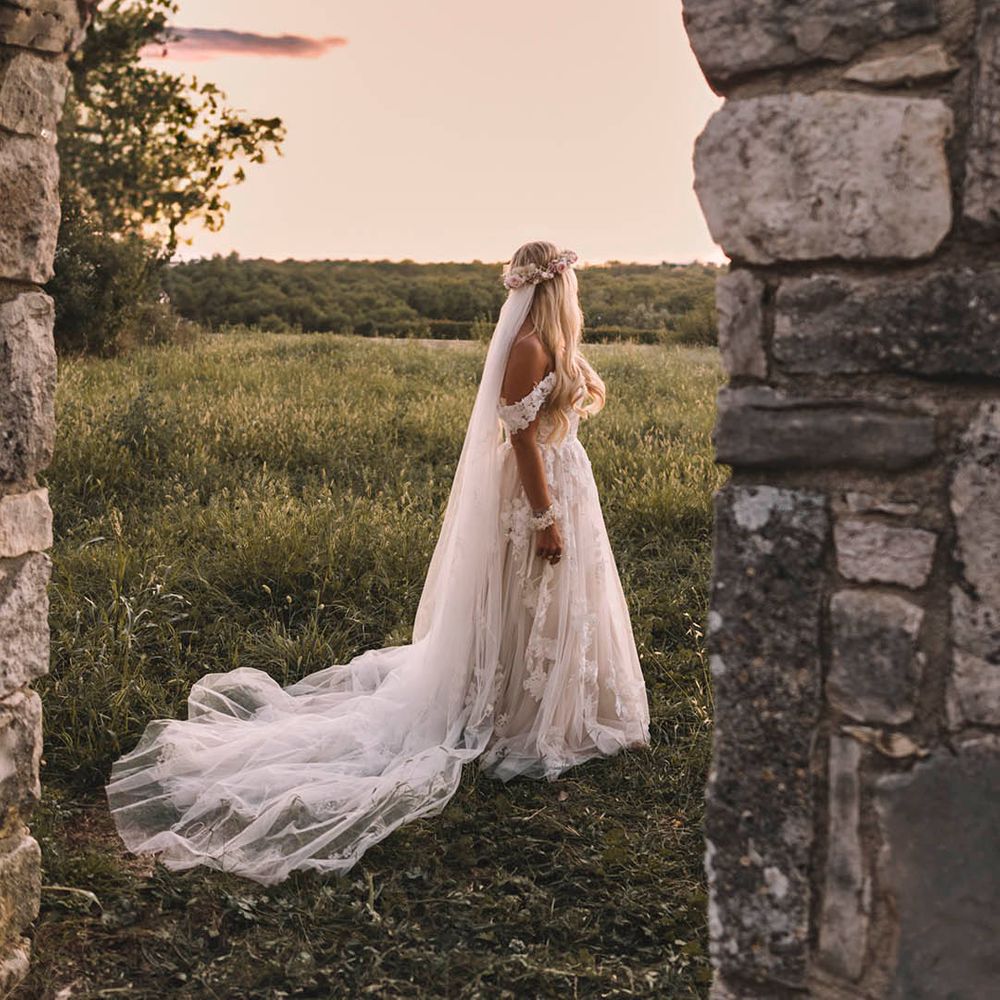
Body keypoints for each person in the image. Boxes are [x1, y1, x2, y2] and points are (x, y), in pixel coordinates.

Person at [106, 240, 650, 885]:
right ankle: (511, 709)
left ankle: (555, 702)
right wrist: (544, 518)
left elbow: (566, 403)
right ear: (555, 286)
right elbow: (522, 436)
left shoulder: (551, 344)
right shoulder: (529, 348)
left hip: (566, 478)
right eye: (570, 284)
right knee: (529, 590)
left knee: (558, 600)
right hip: (539, 489)